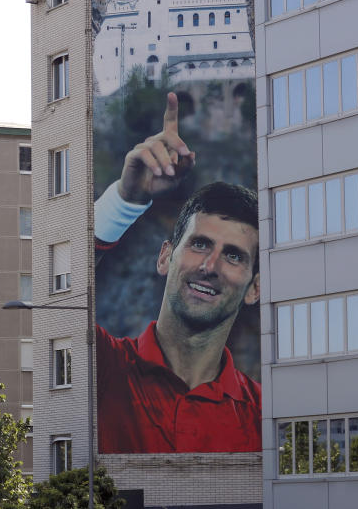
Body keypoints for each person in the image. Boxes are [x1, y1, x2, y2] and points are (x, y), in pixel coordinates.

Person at [94, 92, 261, 454]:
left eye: (233, 256)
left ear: (255, 288)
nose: (209, 266)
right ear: (165, 257)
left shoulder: (264, 415)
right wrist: (126, 199)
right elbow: (50, 287)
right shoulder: (100, 368)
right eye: (199, 244)